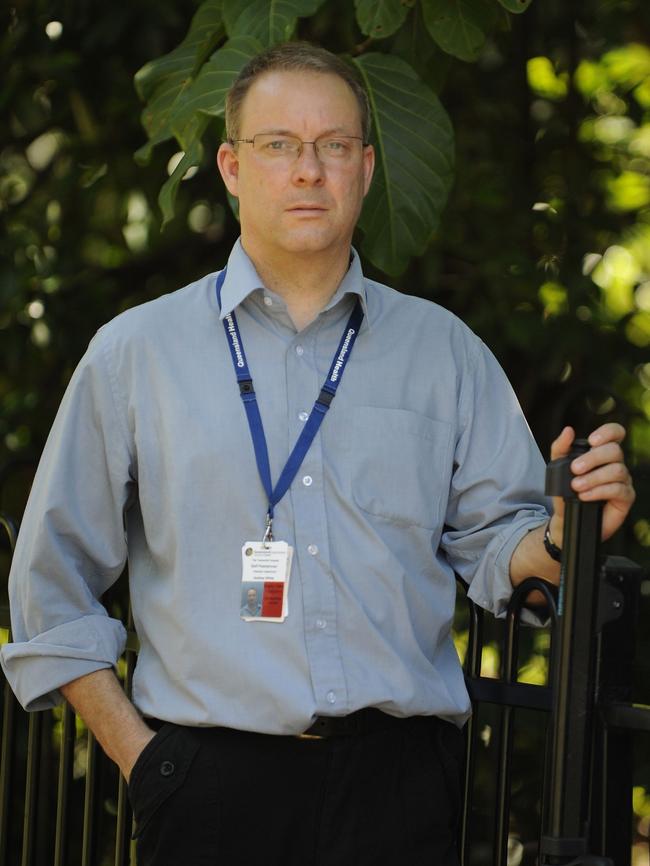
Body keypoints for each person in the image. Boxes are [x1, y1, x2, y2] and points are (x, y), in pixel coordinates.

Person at [1, 42, 635, 866]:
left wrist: (564, 530)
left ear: (366, 169)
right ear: (230, 166)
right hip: (207, 791)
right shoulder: (135, 355)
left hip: (402, 792)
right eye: (279, 145)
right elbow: (49, 584)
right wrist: (144, 761)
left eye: (333, 145)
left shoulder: (443, 352)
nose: (309, 171)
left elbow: (498, 545)